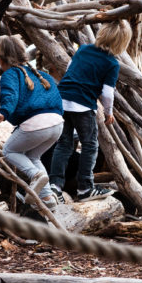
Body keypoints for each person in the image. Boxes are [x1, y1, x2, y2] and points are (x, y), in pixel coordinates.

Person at [49, 20, 131, 202]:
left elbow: (70, 70)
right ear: (122, 42)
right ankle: (85, 187)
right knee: (90, 145)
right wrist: (109, 112)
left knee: (64, 144)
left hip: (62, 99)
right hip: (83, 106)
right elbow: (108, 93)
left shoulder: (83, 49)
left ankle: (54, 186)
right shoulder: (112, 63)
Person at [0, 35, 63, 209]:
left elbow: (11, 96)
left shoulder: (10, 74)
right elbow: (56, 97)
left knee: (8, 150)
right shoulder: (41, 75)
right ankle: (47, 198)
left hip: (36, 125)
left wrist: (2, 114)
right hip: (57, 124)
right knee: (33, 156)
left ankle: (36, 175)